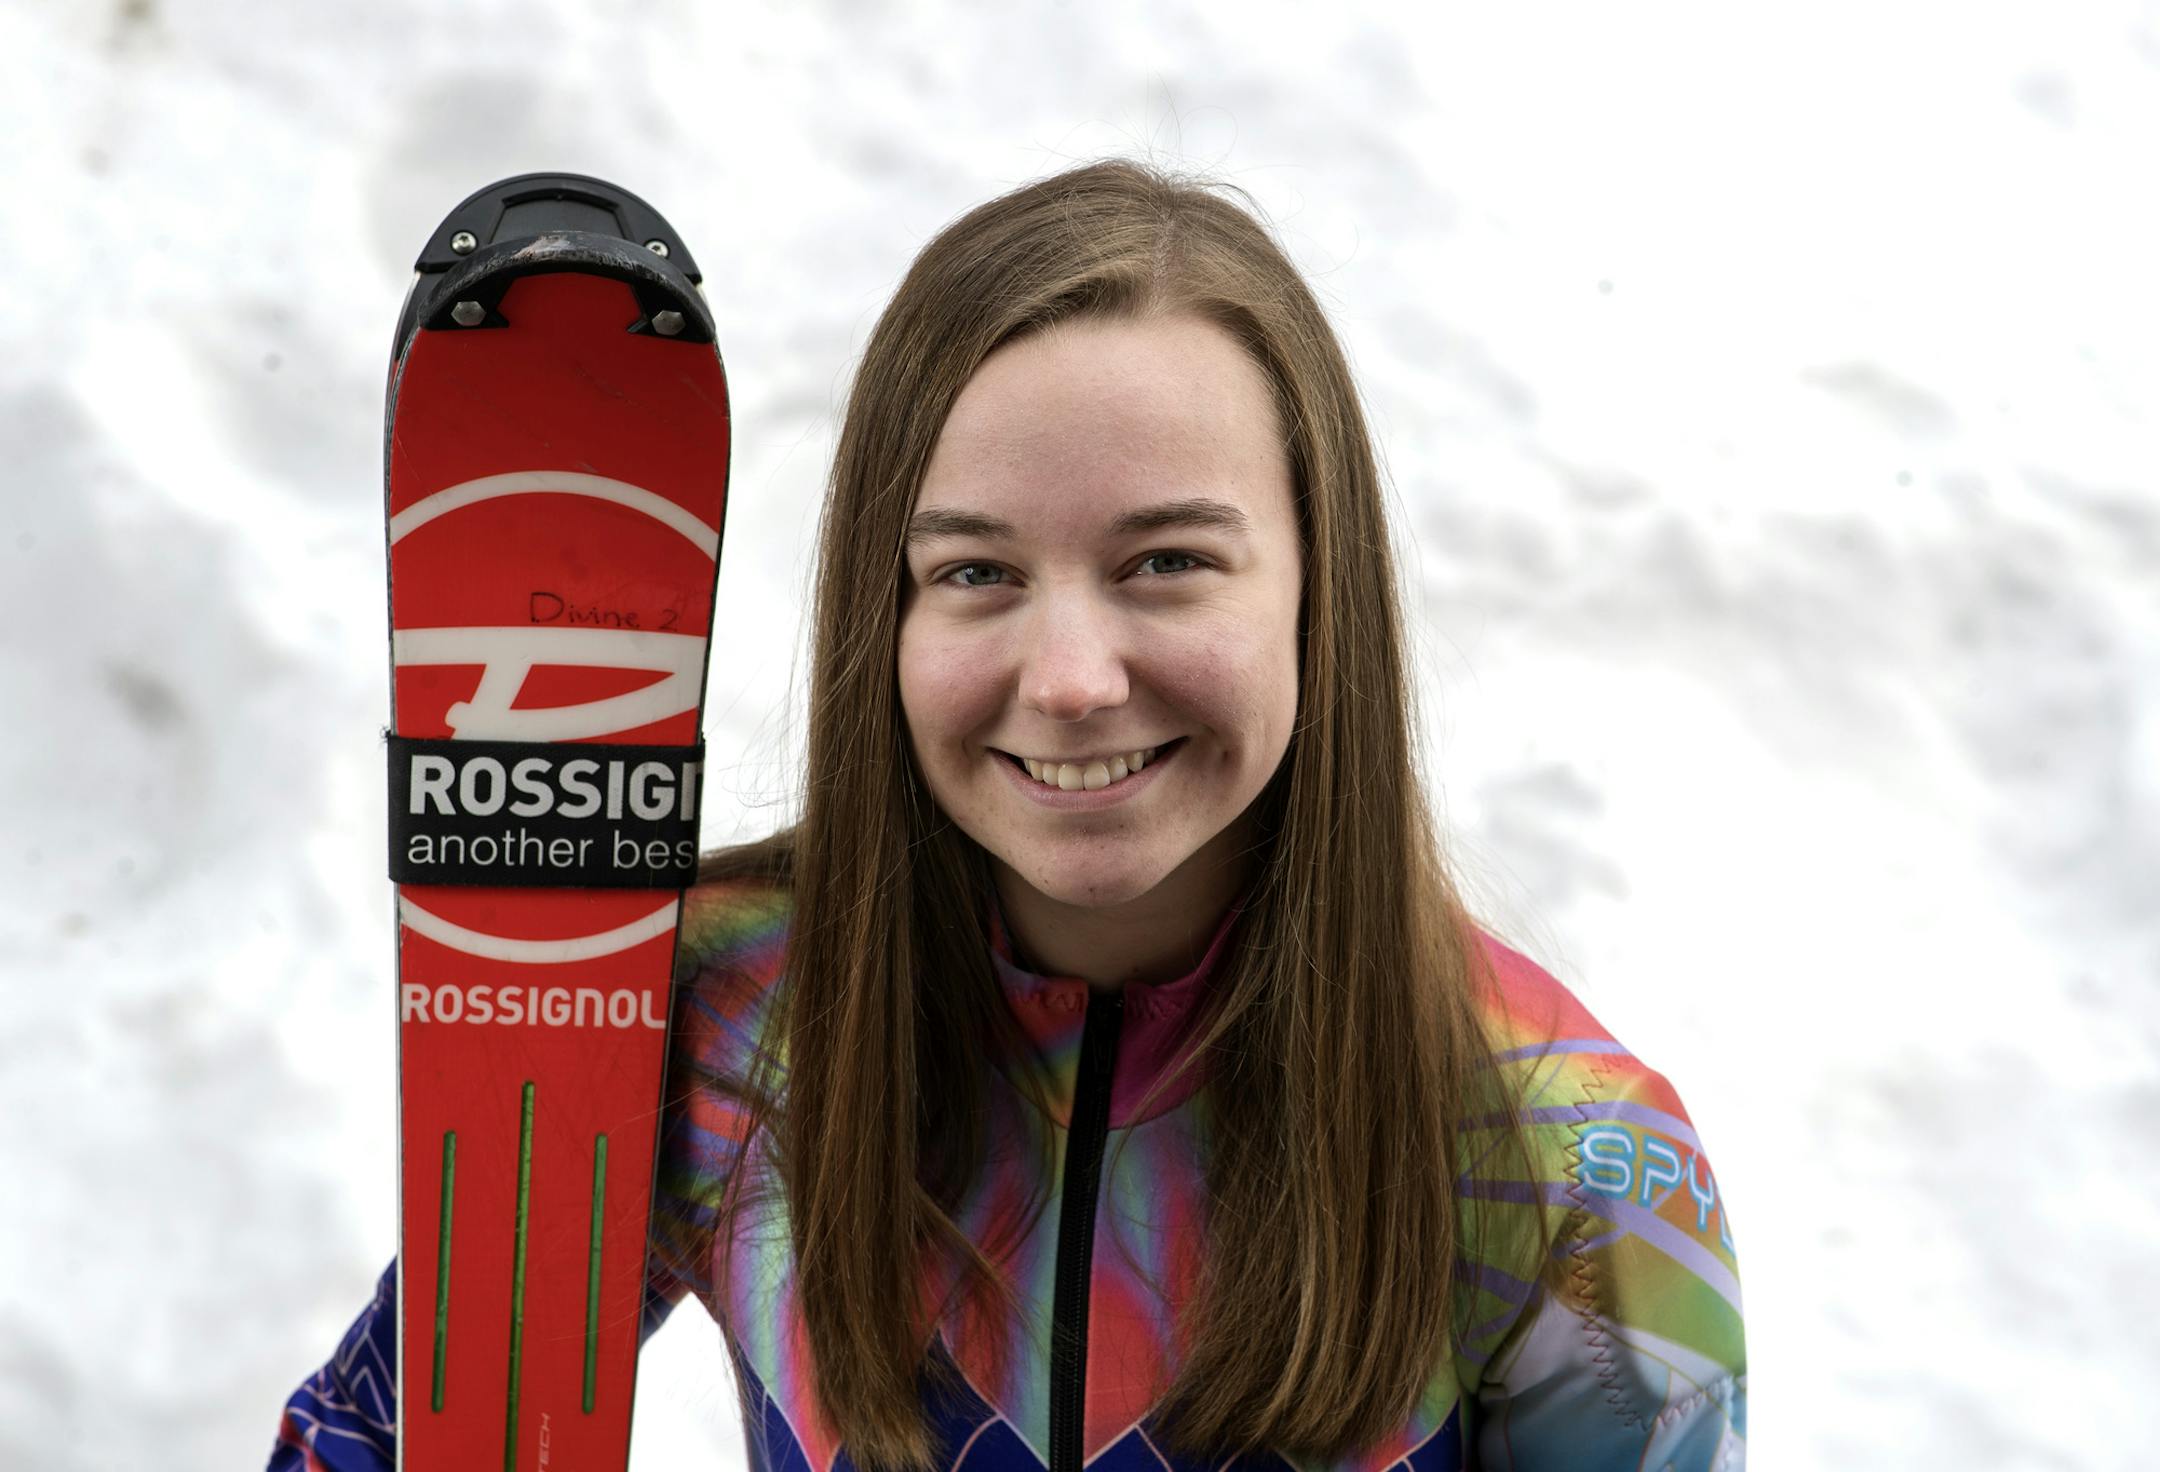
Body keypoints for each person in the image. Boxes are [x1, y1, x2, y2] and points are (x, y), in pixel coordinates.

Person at [271, 158, 1747, 1472]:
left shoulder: (1576, 1157)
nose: (1072, 679)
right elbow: (368, 1437)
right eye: (974, 573)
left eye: (1168, 561)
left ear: (1319, 593)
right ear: (887, 618)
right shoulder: (718, 1024)